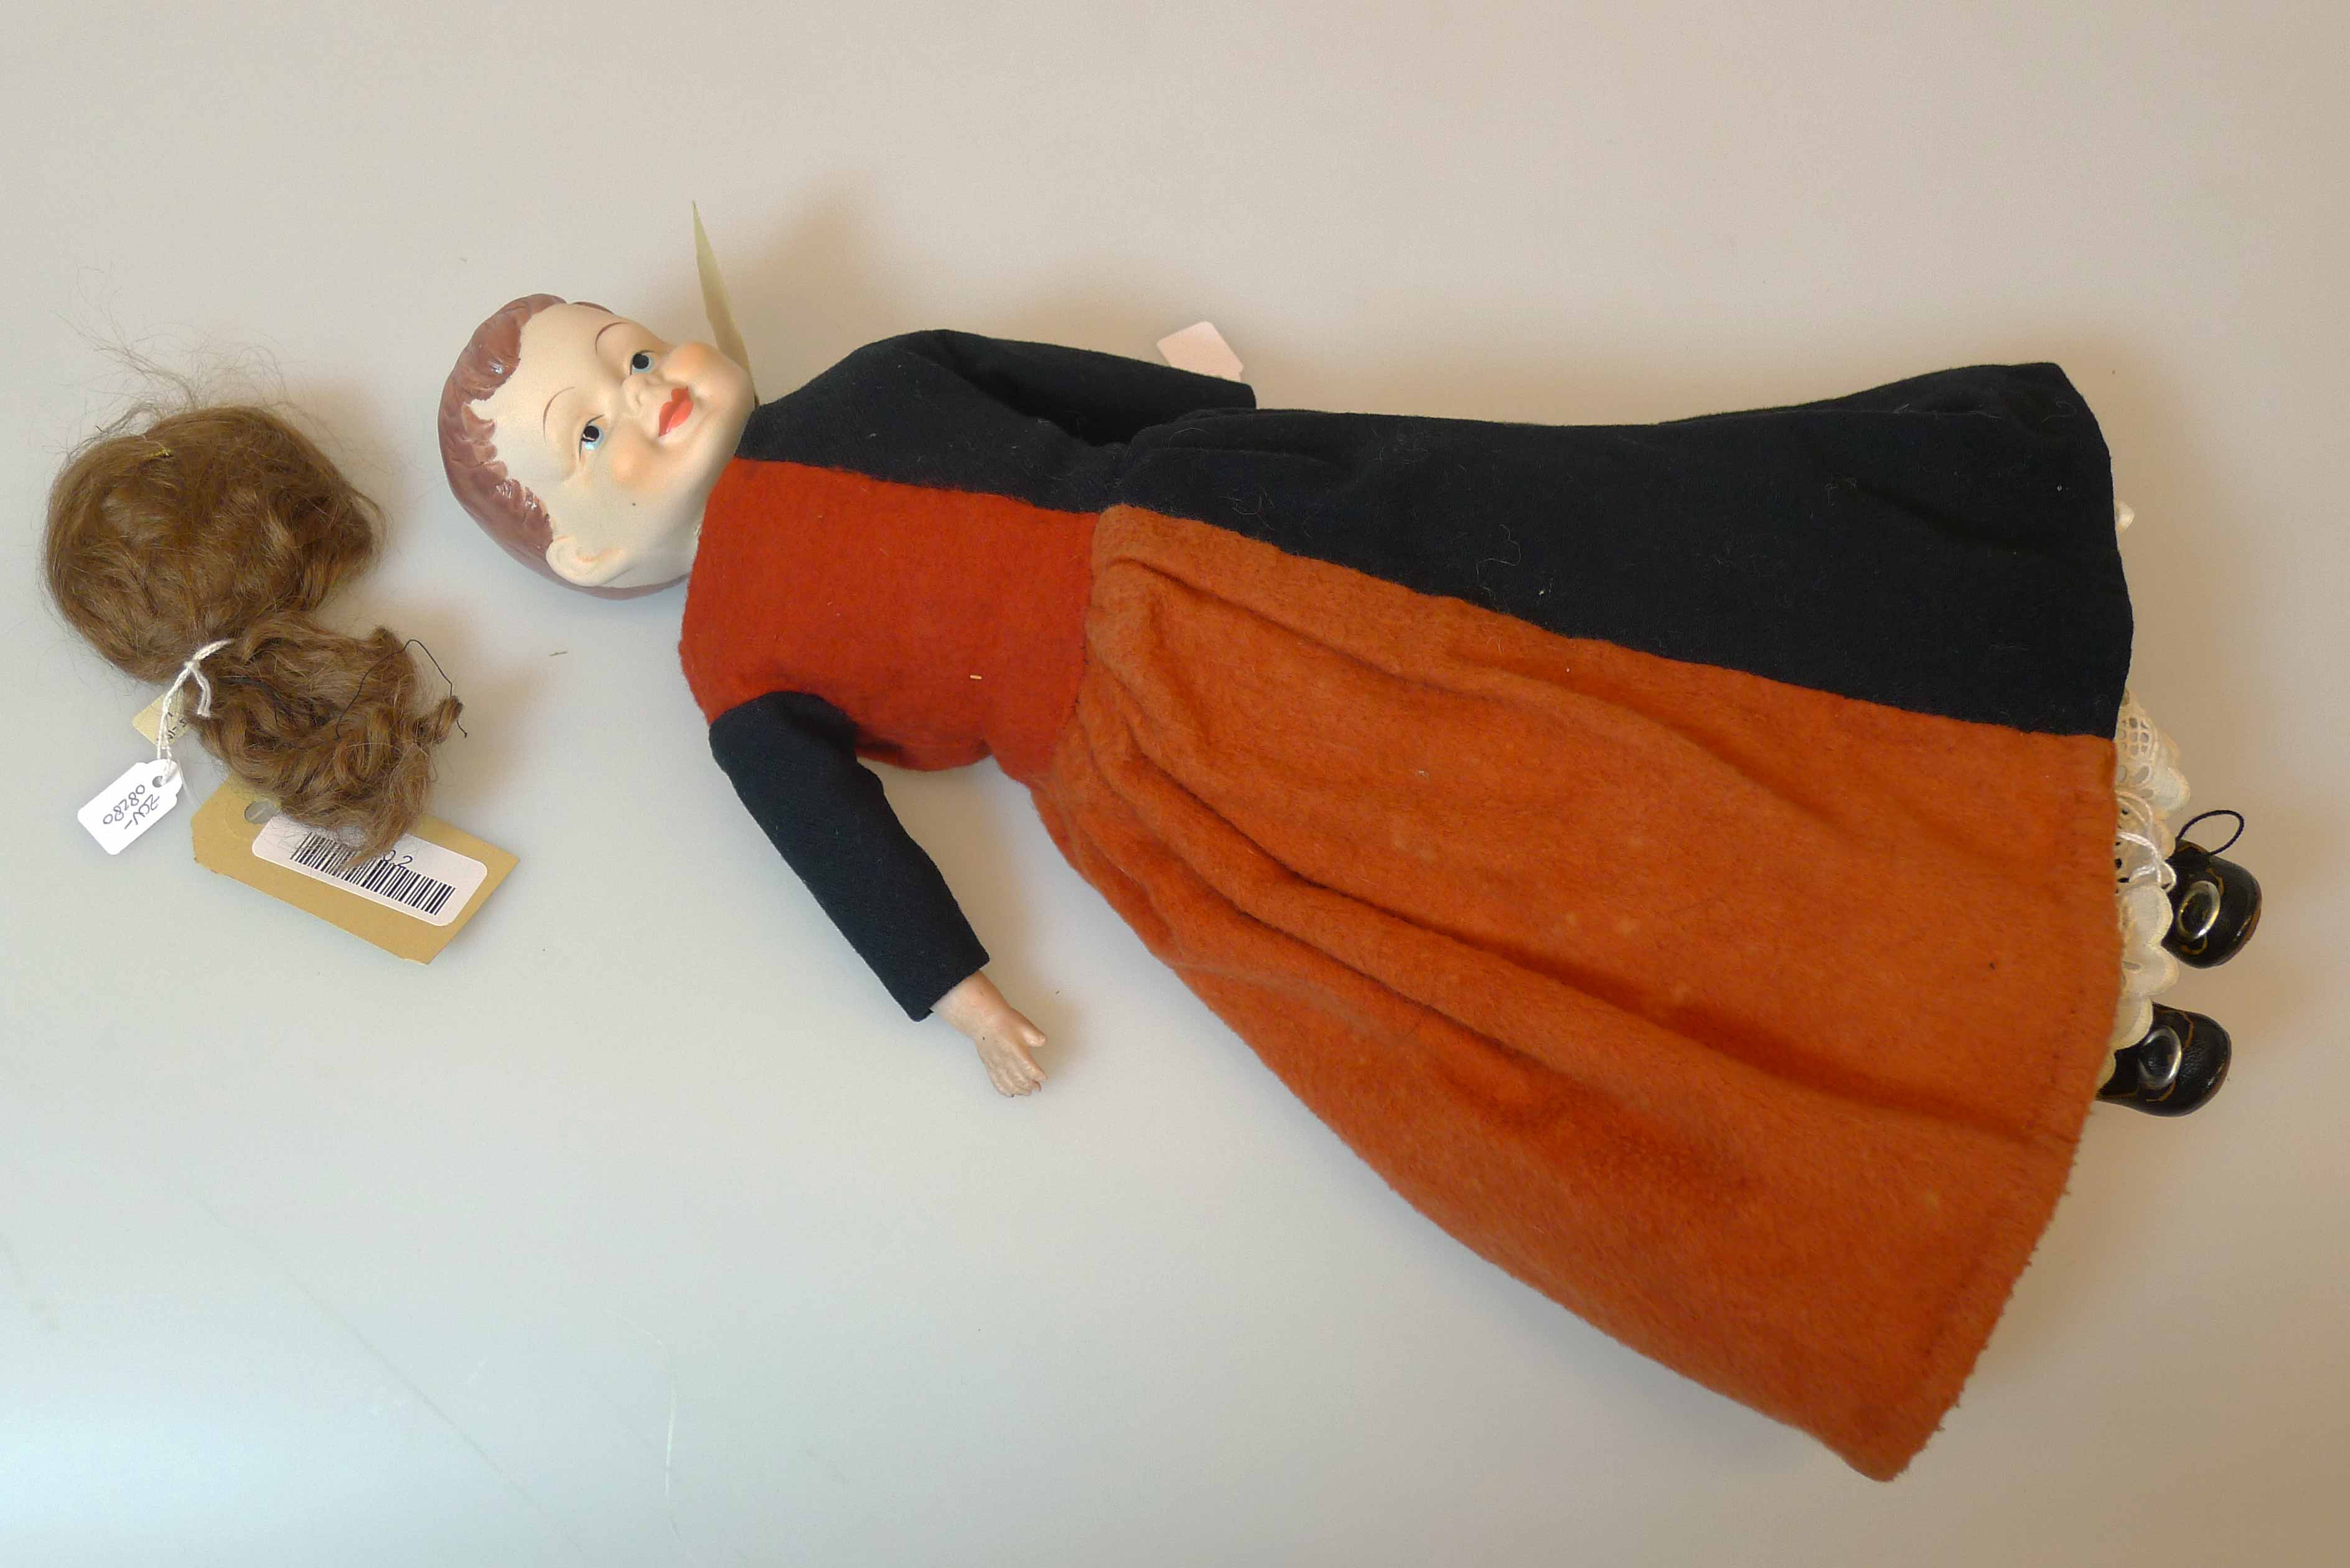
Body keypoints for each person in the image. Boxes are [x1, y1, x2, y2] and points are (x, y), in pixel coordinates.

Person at [437, 296, 2258, 1479]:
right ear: (586, 557)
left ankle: (2063, 850)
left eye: (628, 354)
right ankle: (2006, 1023)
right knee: (1532, 905)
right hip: (1183, 764)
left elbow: (1079, 395)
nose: (644, 399)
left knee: (1656, 619)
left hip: (1257, 524)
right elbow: (826, 832)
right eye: (588, 437)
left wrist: (1215, 410)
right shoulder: (733, 660)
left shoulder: (879, 375)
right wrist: (954, 987)